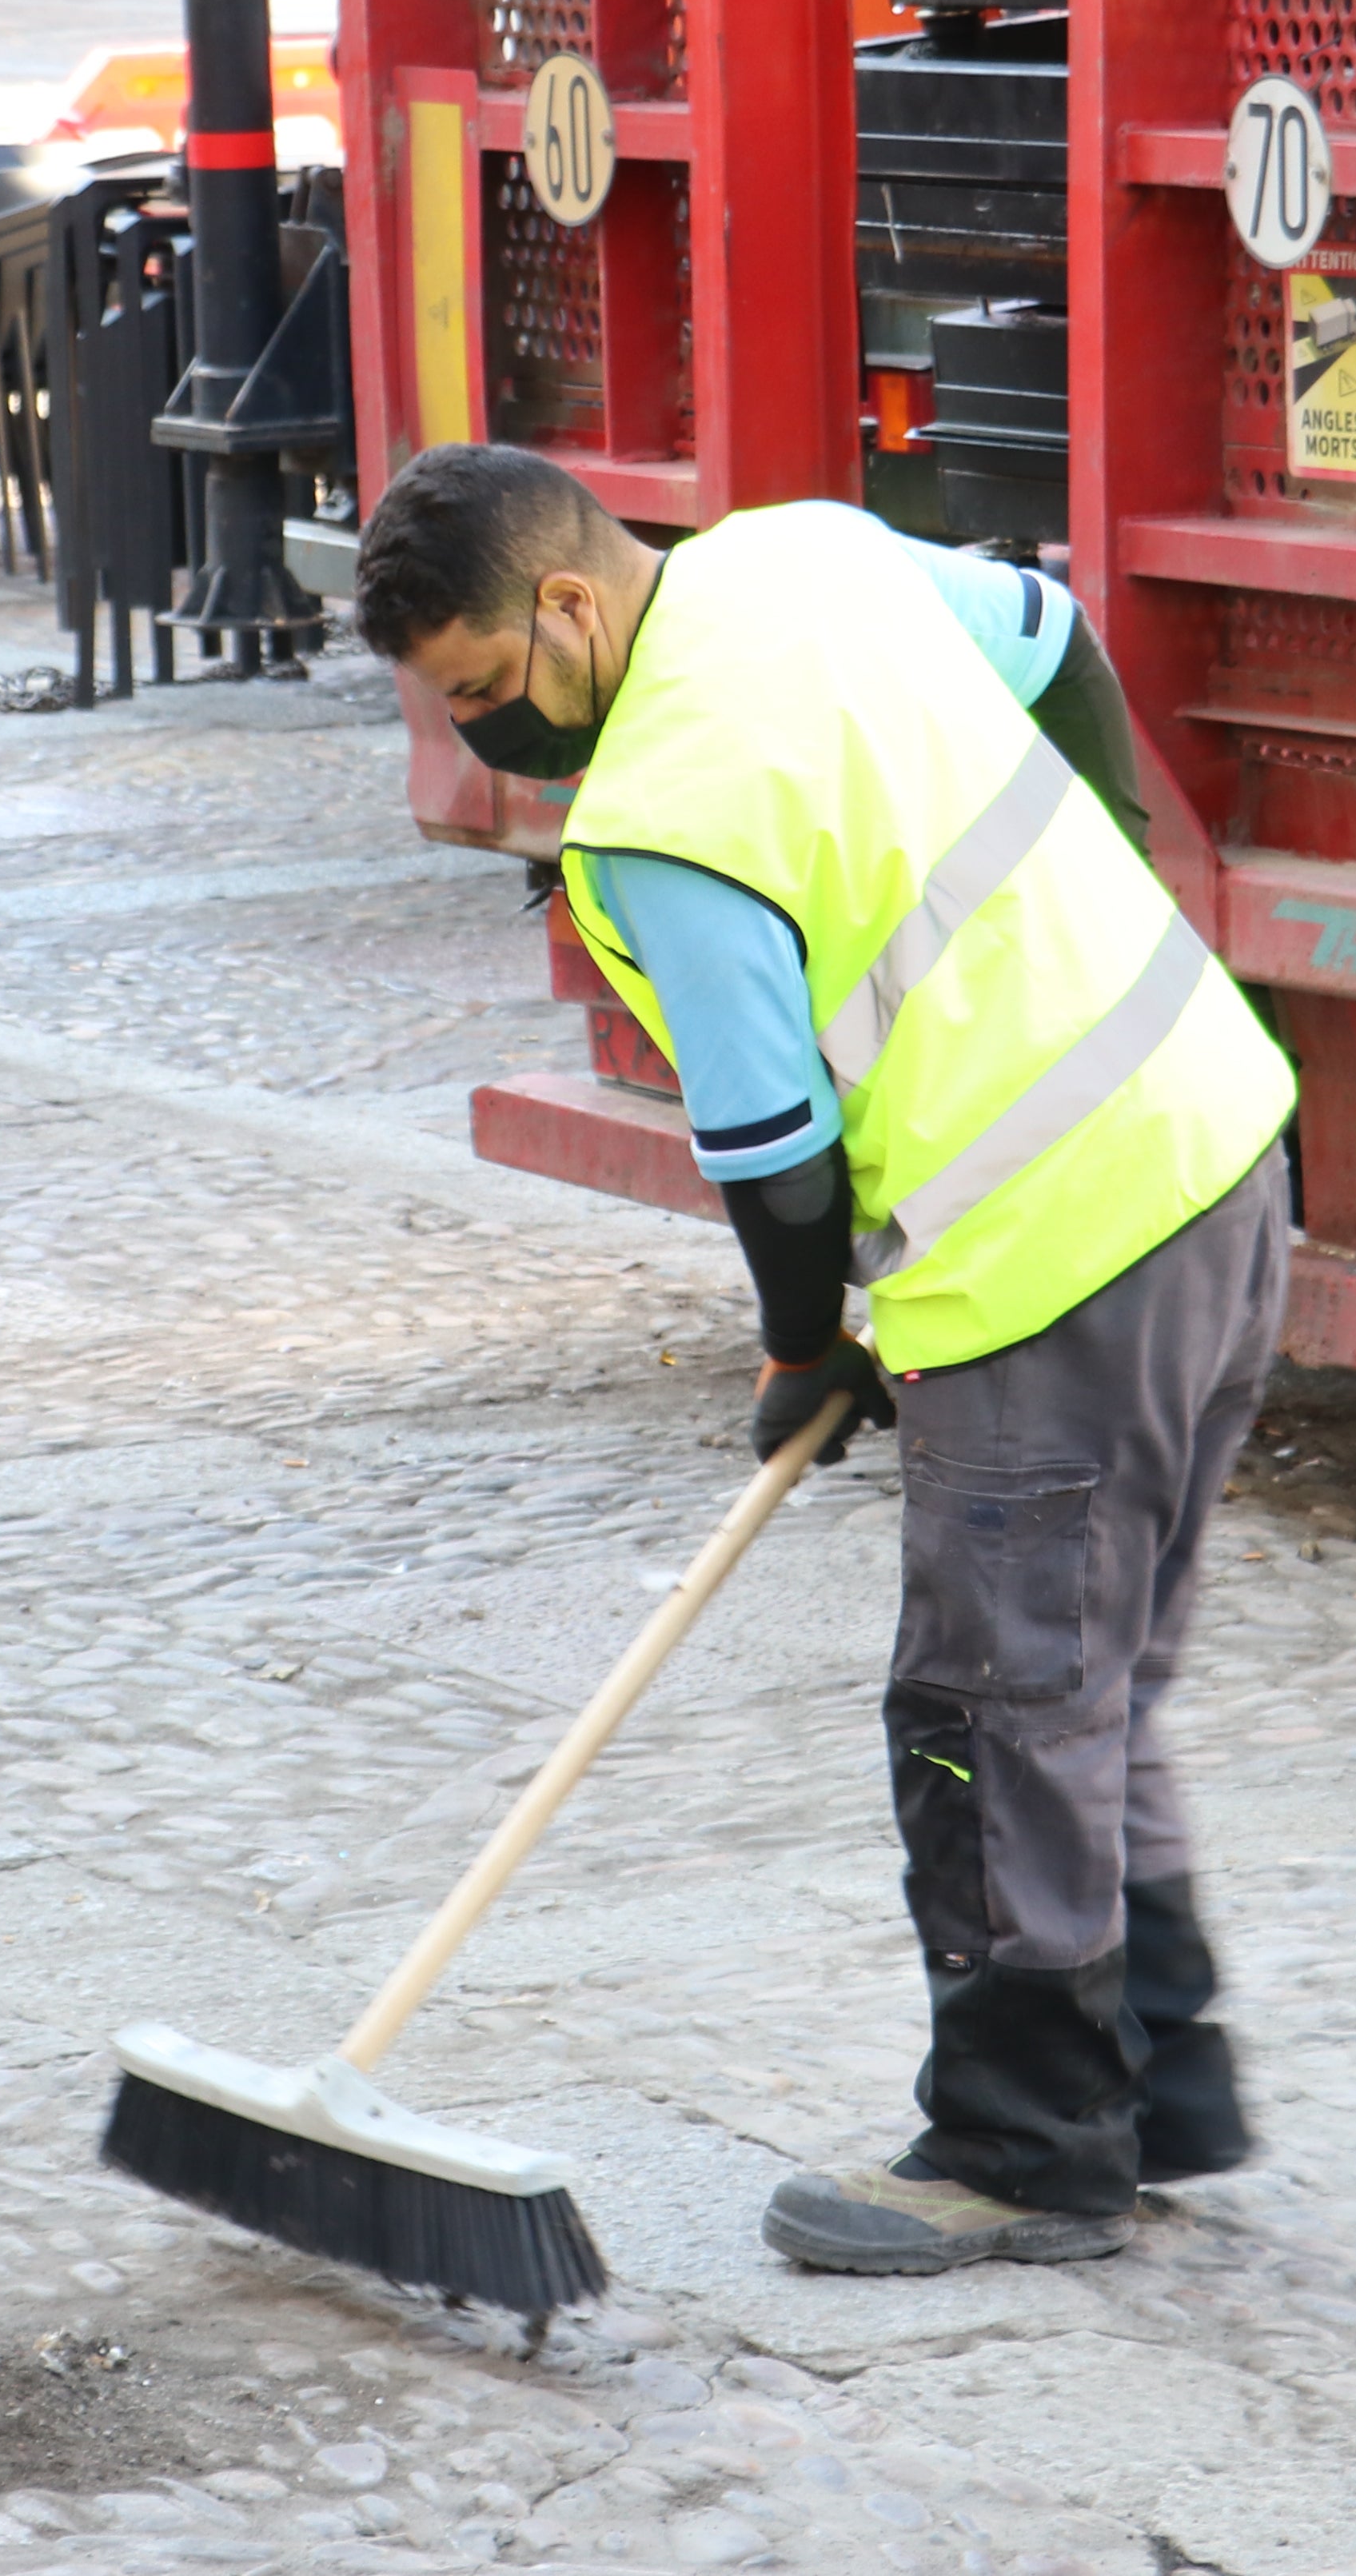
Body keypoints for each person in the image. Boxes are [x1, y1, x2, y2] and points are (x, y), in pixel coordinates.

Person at [357, 449, 1301, 2278]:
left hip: (1051, 1254)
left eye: (486, 692)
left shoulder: (658, 818)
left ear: (566, 604)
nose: (489, 741)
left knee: (990, 1705)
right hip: (1218, 1143)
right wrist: (1103, 875)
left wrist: (804, 1340)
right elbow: (1059, 635)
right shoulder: (799, 555)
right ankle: (1152, 2091)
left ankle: (1028, 2150)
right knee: (1086, 1688)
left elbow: (773, 1151)